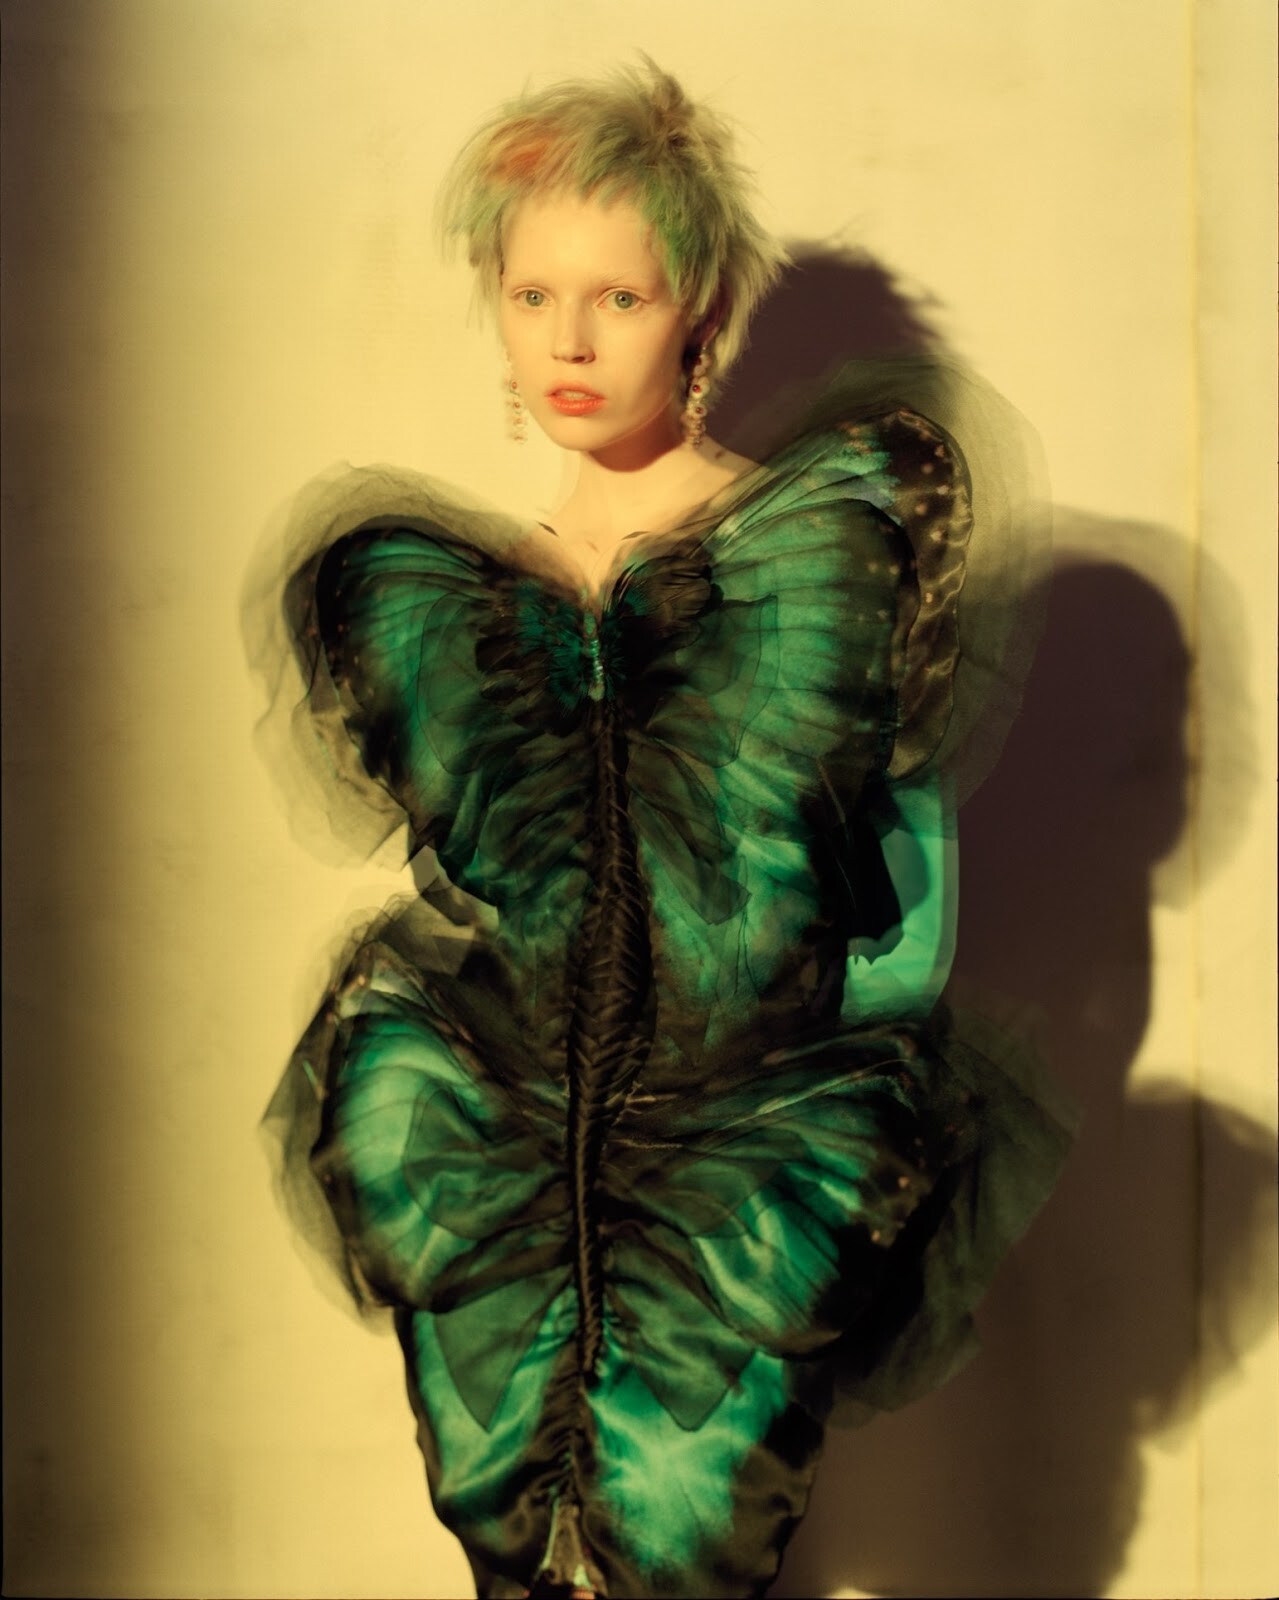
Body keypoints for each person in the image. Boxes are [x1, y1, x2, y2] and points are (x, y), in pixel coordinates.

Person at [260, 60, 1073, 1600]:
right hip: (509, 1160)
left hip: (733, 1167)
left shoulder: (809, 562)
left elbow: (902, 912)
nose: (568, 341)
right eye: (532, 295)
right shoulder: (473, 597)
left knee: (686, 1549)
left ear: (699, 313)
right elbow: (482, 892)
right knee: (516, 1546)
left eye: (618, 298)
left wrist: (798, 1116)